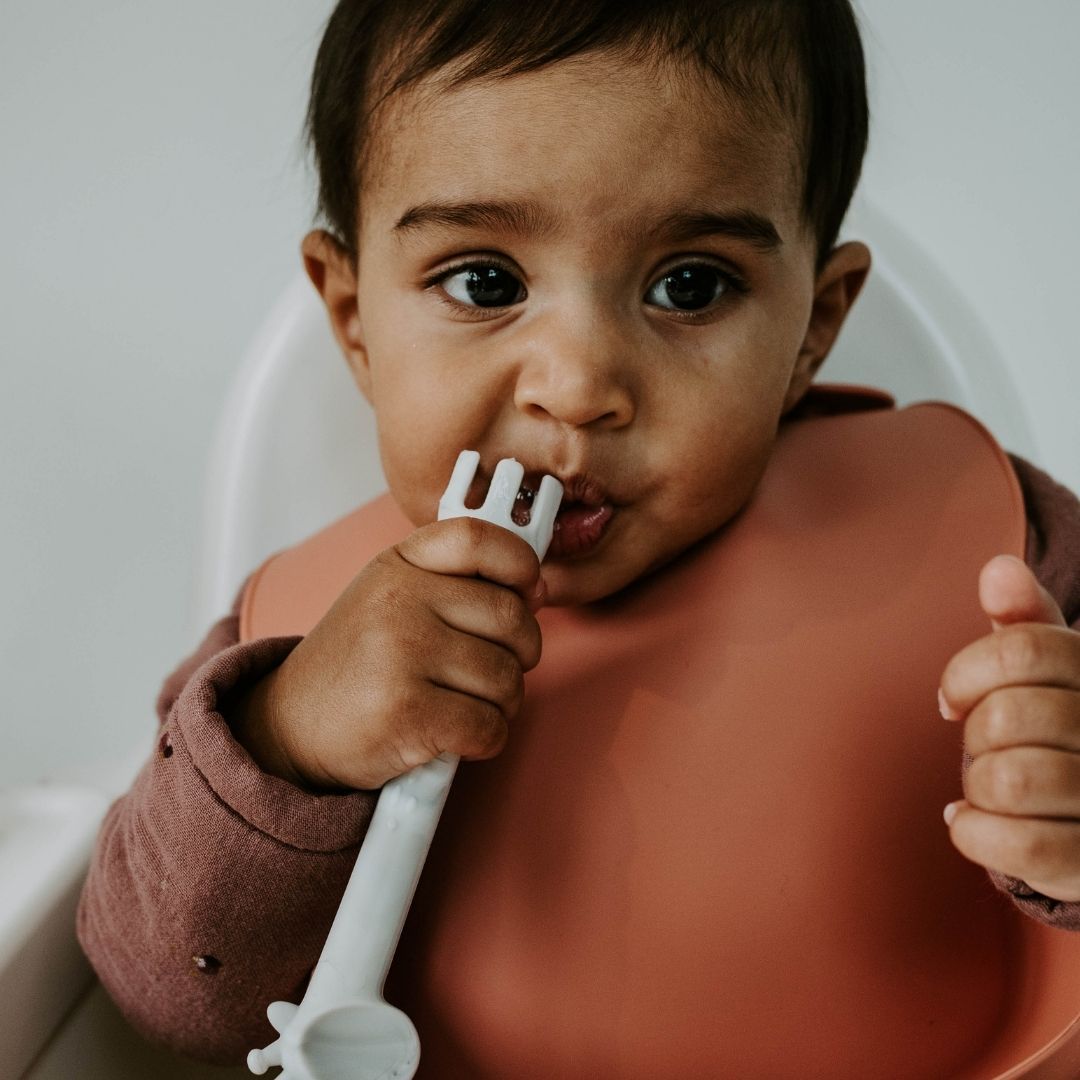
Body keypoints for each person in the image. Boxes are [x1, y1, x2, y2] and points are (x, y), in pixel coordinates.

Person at [78, 0, 1080, 1069]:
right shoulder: (286, 643)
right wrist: (291, 741)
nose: (579, 388)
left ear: (812, 327)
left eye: (689, 287)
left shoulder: (990, 543)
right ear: (354, 315)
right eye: (485, 282)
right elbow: (159, 992)